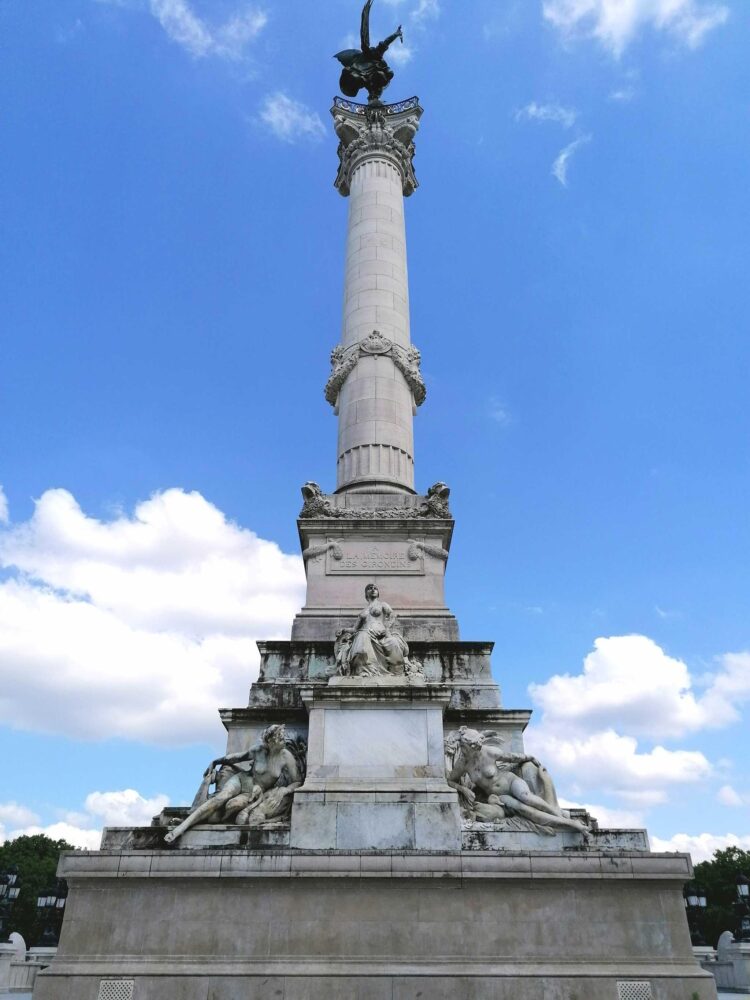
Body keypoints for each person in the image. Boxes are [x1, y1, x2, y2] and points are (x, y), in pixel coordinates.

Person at [446, 727, 591, 842]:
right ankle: (569, 823)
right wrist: (463, 789)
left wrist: (530, 757)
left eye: (467, 748)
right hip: (500, 797)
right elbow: (449, 781)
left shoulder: (489, 752)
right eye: (465, 747)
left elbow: (511, 757)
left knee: (526, 797)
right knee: (525, 810)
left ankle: (559, 815)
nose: (464, 751)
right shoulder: (463, 764)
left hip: (510, 781)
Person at [164, 725, 302, 843]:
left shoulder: (286, 757)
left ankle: (202, 819)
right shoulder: (258, 750)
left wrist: (284, 790)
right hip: (243, 779)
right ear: (271, 741)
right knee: (221, 797)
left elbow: (297, 781)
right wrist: (217, 761)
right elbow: (238, 757)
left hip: (253, 793)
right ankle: (180, 829)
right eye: (281, 737)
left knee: (232, 806)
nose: (284, 739)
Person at [348, 583, 409, 675]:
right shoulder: (363, 612)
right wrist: (344, 631)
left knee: (393, 643)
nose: (373, 589)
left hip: (381, 635)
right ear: (366, 594)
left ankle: (396, 670)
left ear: (378, 593)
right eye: (369, 588)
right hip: (366, 633)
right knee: (361, 640)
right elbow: (354, 629)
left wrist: (385, 629)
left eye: (375, 588)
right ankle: (364, 669)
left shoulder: (382, 605)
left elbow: (392, 616)